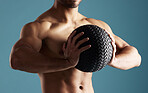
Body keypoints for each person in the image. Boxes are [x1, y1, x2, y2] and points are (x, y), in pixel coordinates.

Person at [9, 0, 141, 93]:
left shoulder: (96, 27)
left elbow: (136, 57)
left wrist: (113, 60)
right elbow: (17, 59)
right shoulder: (41, 27)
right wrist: (67, 63)